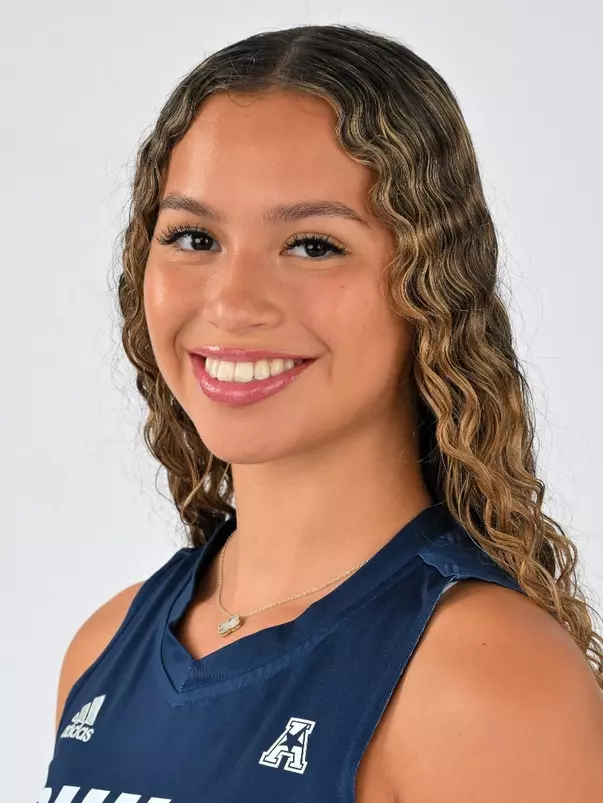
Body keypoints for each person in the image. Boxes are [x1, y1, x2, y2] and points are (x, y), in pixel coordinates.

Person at [39, 23, 603, 803]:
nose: (232, 303)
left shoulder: (483, 680)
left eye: (311, 245)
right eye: (194, 236)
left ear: (429, 288)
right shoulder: (104, 648)